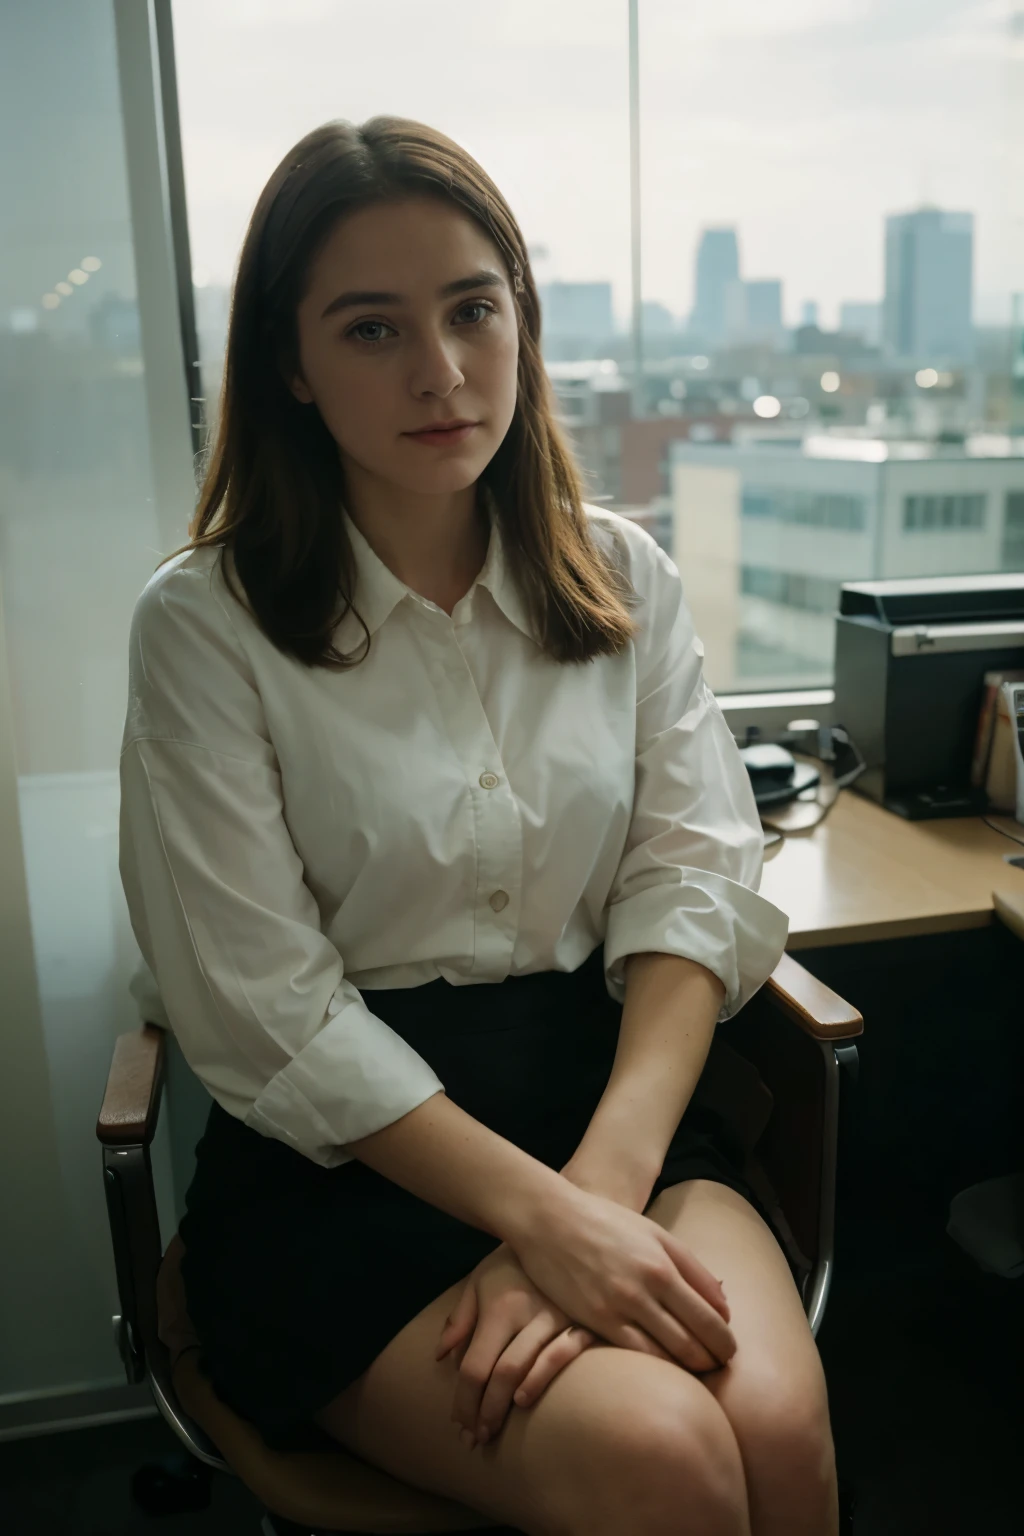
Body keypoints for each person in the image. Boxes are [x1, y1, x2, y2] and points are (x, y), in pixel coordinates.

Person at [118, 117, 840, 1536]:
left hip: (609, 1108)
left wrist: (596, 1197)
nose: (442, 373)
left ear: (523, 318)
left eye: (472, 312)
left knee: (774, 1421)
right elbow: (266, 1011)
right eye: (372, 329)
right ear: (289, 364)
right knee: (663, 1458)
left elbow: (694, 879)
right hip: (350, 1166)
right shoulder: (206, 627)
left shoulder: (618, 574)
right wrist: (541, 1223)